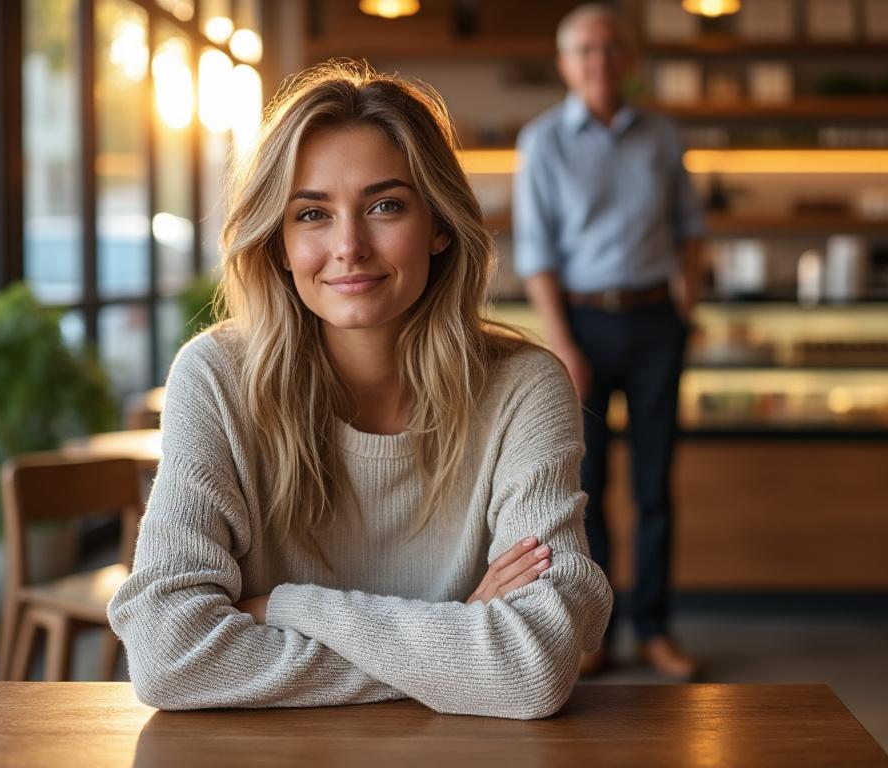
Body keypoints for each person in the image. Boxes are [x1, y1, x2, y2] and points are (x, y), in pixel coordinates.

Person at [107, 63, 612, 719]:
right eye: (312, 213)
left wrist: (287, 606)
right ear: (281, 244)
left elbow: (533, 668)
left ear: (437, 226)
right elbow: (167, 655)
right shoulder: (214, 377)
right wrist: (456, 638)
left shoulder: (526, 387)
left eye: (384, 206)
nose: (348, 246)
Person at [513, 4, 705, 680]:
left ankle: (654, 629)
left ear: (629, 59)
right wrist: (562, 343)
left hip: (657, 325)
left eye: (610, 47)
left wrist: (689, 308)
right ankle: (596, 634)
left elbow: (692, 230)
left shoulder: (661, 135)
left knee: (656, 488)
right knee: (584, 490)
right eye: (585, 49)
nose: (599, 60)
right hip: (582, 326)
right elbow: (534, 253)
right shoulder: (542, 141)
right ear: (566, 64)